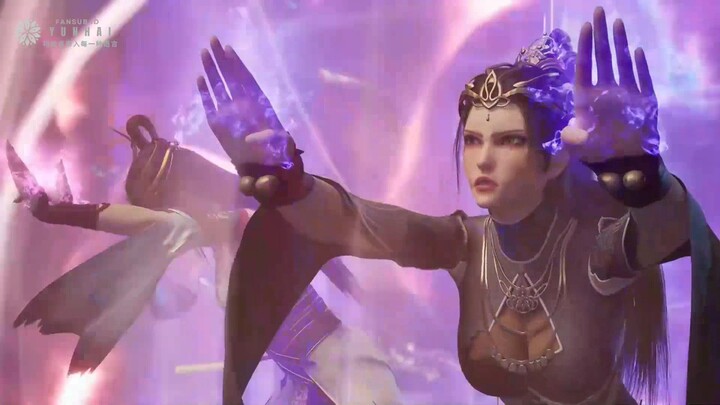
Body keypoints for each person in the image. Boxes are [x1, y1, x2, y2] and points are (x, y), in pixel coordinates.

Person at [197, 7, 720, 405]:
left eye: (510, 141)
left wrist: (642, 180)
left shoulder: (596, 246)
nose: (483, 160)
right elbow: (356, 221)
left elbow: (671, 232)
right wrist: (289, 182)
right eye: (473, 140)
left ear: (555, 159)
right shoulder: (466, 243)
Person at [9, 114, 402, 404]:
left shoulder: (239, 222)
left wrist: (59, 211)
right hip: (302, 379)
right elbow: (162, 255)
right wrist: (64, 212)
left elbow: (152, 225)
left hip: (339, 373)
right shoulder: (219, 230)